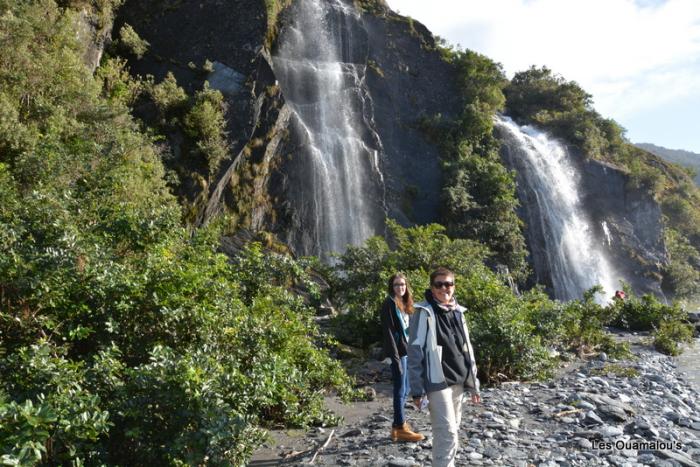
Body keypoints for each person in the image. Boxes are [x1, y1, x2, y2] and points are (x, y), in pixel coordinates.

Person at [408, 267, 480, 467]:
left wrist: (474, 384)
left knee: (452, 432)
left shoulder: (458, 312)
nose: (444, 288)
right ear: (432, 288)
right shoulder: (424, 313)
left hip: (458, 380)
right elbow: (414, 352)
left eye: (448, 284)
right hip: (437, 382)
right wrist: (417, 390)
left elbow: (468, 350)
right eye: (439, 284)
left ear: (454, 286)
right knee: (447, 434)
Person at [380, 273, 425, 443]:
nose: (401, 287)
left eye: (403, 284)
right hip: (397, 353)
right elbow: (389, 333)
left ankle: (397, 426)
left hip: (406, 351)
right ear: (391, 287)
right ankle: (400, 427)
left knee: (405, 389)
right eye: (397, 285)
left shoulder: (405, 303)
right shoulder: (389, 304)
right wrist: (395, 358)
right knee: (400, 390)